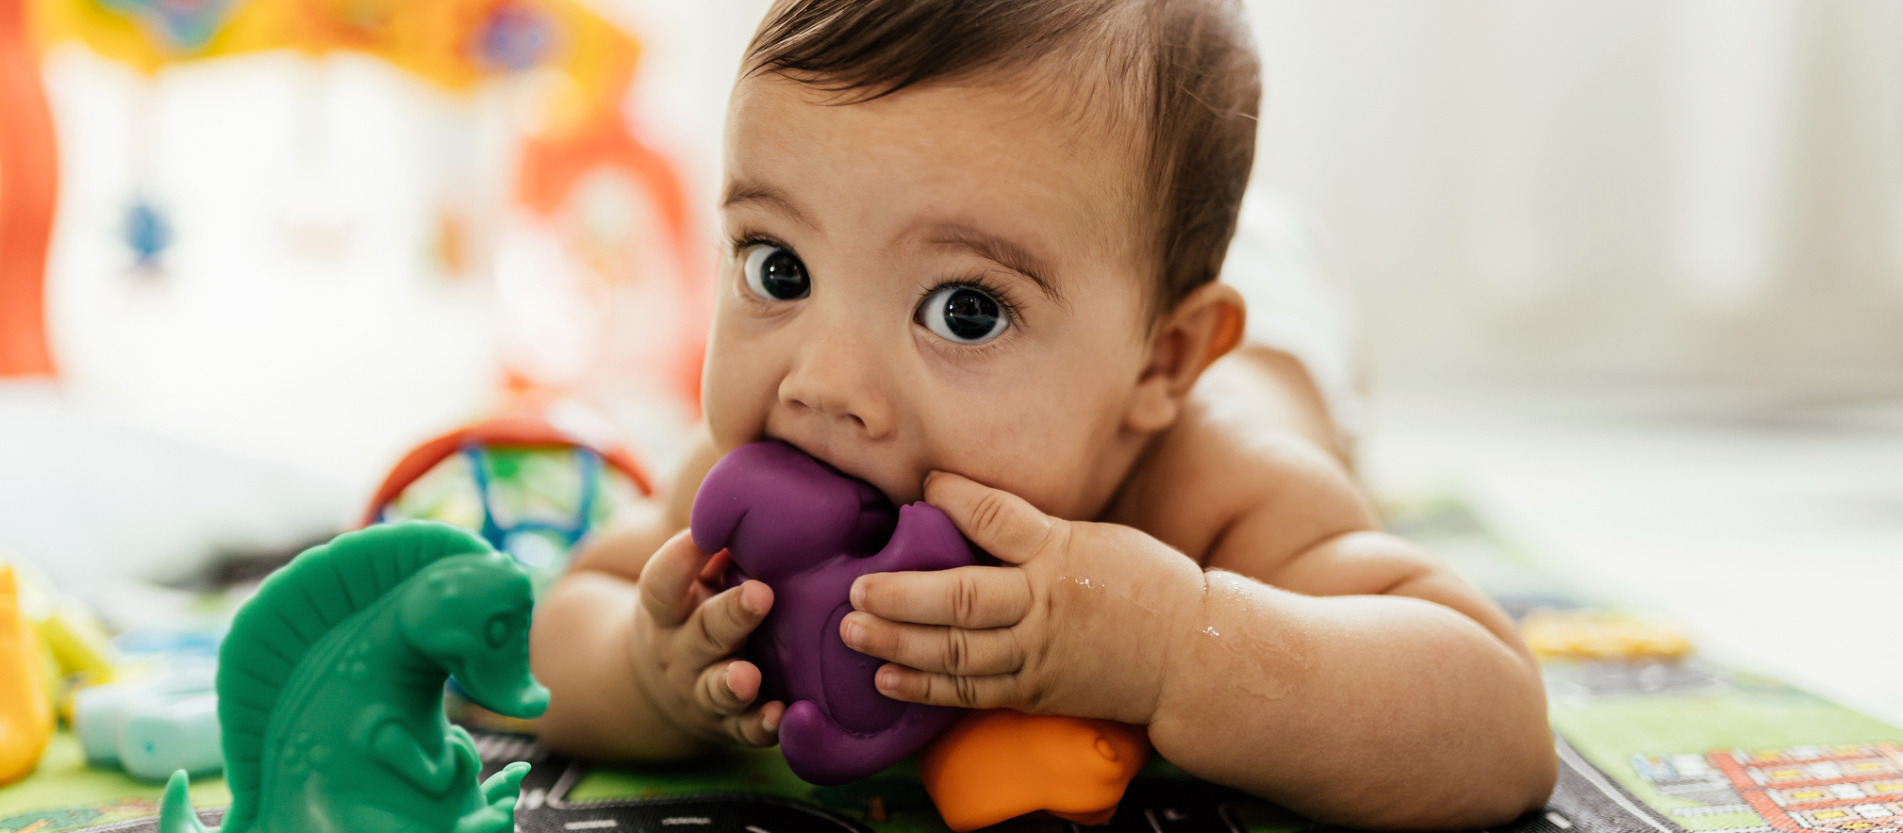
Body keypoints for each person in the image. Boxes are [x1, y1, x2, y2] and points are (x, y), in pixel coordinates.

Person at [528, 1, 1556, 827]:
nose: (823, 381)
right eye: (778, 266)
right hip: (1117, 280)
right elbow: (548, 633)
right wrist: (644, 668)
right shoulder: (765, 457)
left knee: (1254, 297)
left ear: (1162, 362)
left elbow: (1496, 725)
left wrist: (1177, 648)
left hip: (1282, 329)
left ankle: (1260, 263)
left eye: (963, 311)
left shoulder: (1217, 491)